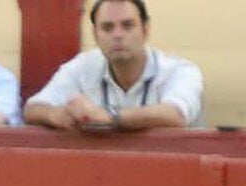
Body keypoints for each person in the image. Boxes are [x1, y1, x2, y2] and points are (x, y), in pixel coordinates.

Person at [23, 0, 202, 131]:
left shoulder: (180, 71)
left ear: (146, 30)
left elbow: (175, 115)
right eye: (107, 27)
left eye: (127, 26)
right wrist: (57, 115)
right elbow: (33, 109)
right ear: (96, 34)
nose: (117, 35)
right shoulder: (83, 67)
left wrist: (109, 116)